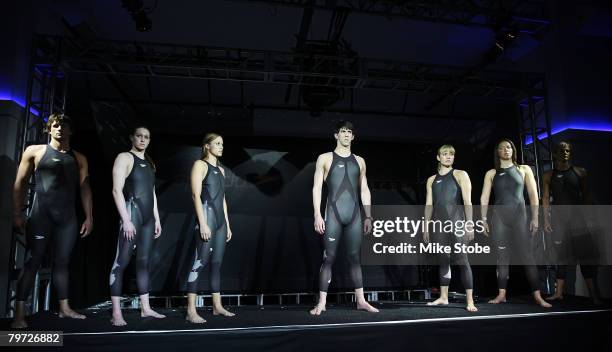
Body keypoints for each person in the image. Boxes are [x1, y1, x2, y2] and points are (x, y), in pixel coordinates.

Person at [12, 113, 93, 329]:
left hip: (67, 219)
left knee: (63, 263)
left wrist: (89, 216)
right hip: (41, 217)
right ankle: (19, 314)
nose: (60, 129)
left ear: (71, 130)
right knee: (33, 261)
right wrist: (17, 213)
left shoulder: (79, 158)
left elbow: (85, 188)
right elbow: (20, 182)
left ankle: (65, 308)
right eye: (55, 125)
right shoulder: (35, 151)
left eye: (64, 126)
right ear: (49, 129)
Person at [310, 121, 379, 315]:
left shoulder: (360, 161)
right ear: (336, 135)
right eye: (343, 132)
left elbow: (364, 189)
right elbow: (317, 188)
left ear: (353, 136)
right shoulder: (324, 158)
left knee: (355, 258)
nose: (347, 135)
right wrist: (317, 214)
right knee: (329, 257)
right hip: (333, 214)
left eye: (350, 132)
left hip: (355, 215)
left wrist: (369, 216)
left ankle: (361, 301)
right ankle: (322, 302)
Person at [480, 138, 551, 308]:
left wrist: (535, 217)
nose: (506, 149)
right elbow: (484, 198)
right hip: (499, 218)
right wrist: (483, 219)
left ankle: (538, 296)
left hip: (521, 217)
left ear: (513, 150)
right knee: (502, 257)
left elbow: (534, 195)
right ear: (497, 152)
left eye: (509, 147)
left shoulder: (524, 169)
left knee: (528, 256)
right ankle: (502, 294)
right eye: (502, 147)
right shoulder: (491, 173)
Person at [109, 127, 165, 326]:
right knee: (121, 262)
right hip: (131, 215)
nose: (143, 139)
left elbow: (152, 193)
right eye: (139, 136)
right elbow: (117, 190)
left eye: (147, 137)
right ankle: (116, 313)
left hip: (148, 219)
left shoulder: (150, 163)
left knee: (144, 262)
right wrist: (126, 220)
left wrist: (157, 219)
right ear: (132, 137)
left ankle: (145, 308)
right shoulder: (124, 157)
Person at [185, 133, 235, 323]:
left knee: (217, 264)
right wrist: (203, 222)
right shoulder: (200, 165)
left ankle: (217, 306)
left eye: (222, 143)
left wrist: (228, 225)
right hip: (207, 220)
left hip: (221, 223)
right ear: (207, 146)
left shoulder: (221, 171)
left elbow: (222, 200)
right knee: (200, 262)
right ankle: (191, 311)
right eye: (217, 143)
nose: (221, 146)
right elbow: (195, 195)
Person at [543, 141, 600, 303]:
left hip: (578, 221)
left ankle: (593, 295)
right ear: (554, 154)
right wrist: (546, 220)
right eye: (561, 150)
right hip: (559, 222)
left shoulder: (580, 172)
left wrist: (590, 218)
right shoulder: (548, 175)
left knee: (585, 259)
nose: (565, 153)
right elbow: (546, 199)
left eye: (567, 150)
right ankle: (559, 292)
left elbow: (587, 196)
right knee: (561, 258)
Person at [424, 145, 477, 312]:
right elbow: (429, 205)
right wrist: (425, 227)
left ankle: (470, 301)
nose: (448, 157)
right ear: (438, 157)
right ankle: (444, 297)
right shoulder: (431, 180)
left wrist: (470, 224)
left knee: (462, 260)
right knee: (443, 260)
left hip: (457, 223)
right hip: (440, 226)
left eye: (451, 154)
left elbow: (467, 201)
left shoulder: (460, 174)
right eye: (445, 154)